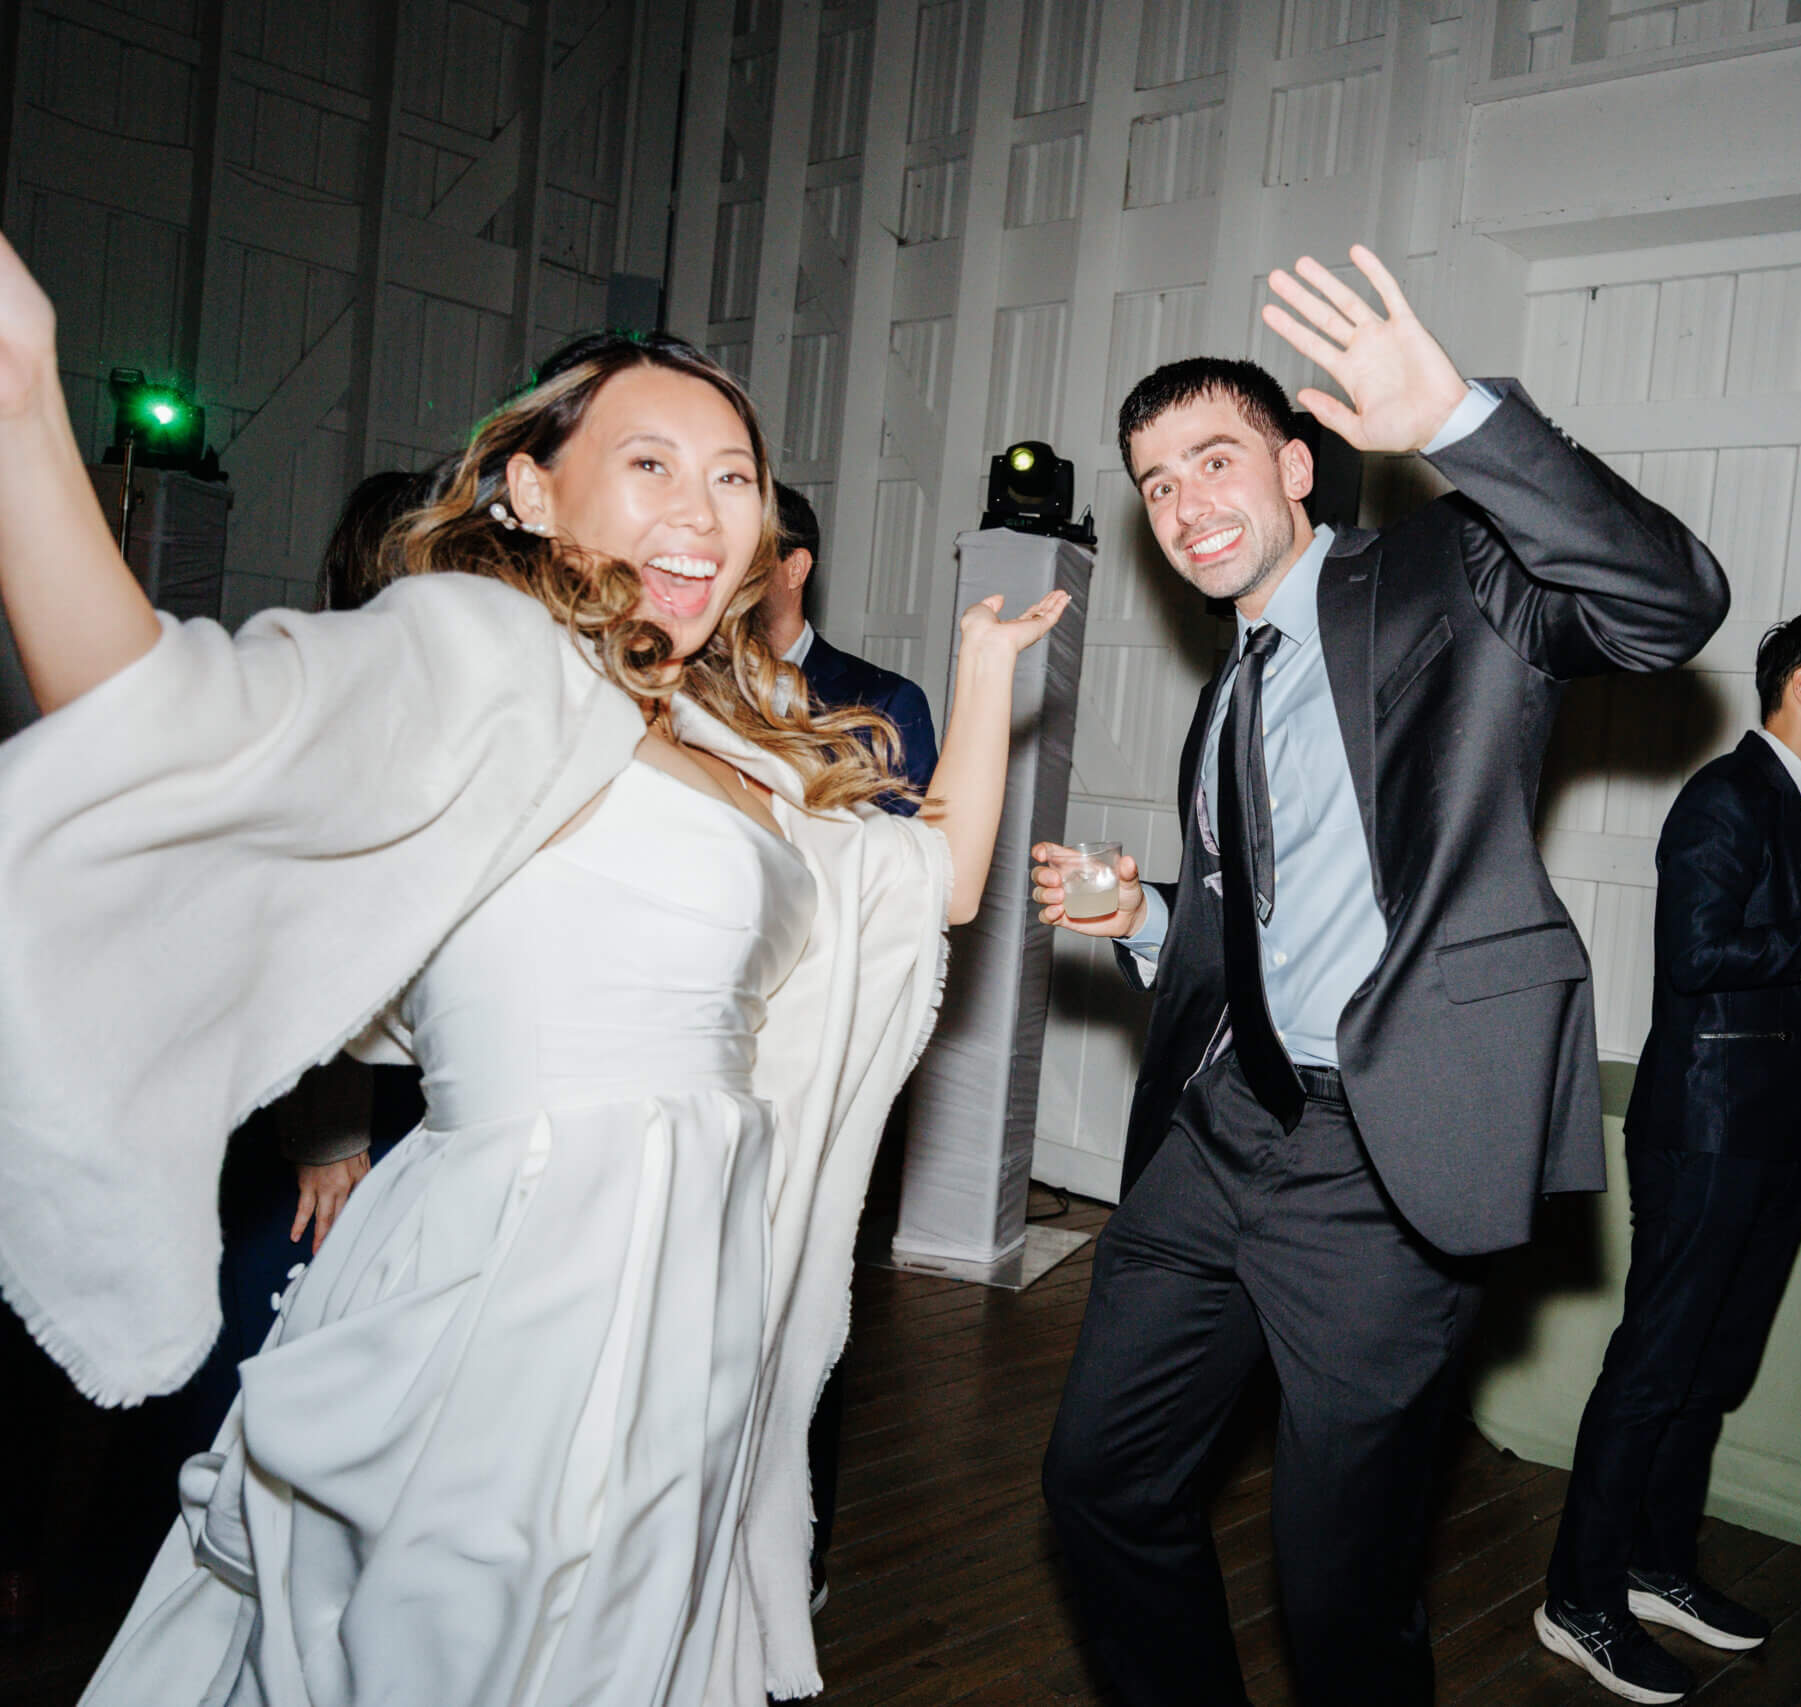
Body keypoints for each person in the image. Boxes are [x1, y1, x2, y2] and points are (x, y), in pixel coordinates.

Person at [0, 221, 1066, 1706]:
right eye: (651, 465)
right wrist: (20, 397)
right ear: (528, 483)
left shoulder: (724, 741)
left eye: (734, 479)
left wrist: (988, 672)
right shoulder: (486, 659)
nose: (702, 514)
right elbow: (152, 716)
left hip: (689, 1284)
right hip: (513, 1277)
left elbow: (932, 885)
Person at [1030, 245, 1729, 1707]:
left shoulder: (1446, 568)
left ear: (1297, 463)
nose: (1184, 504)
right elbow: (1262, 931)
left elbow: (1671, 605)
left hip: (1380, 1159)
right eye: (1156, 484)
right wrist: (1143, 910)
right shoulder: (1228, 691)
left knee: (1337, 1583)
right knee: (1099, 1478)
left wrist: (1468, 422)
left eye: (1213, 459)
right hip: (1220, 1135)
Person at [1540, 614, 1801, 1701]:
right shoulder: (1726, 796)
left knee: (1709, 1376)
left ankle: (1654, 1566)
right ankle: (1577, 1596)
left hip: (1762, 1141)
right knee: (1652, 1372)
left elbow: (1787, 1011)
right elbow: (1701, 959)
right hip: (1701, 1135)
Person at [767, 479, 940, 1616]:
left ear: (794, 565)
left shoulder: (875, 698)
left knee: (809, 1294)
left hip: (828, 1045)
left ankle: (798, 1547)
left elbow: (916, 883)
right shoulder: (671, 683)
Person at [765, 481, 936, 796]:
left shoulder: (883, 705)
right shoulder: (685, 686)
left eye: (745, 555)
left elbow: (910, 841)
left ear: (795, 570)